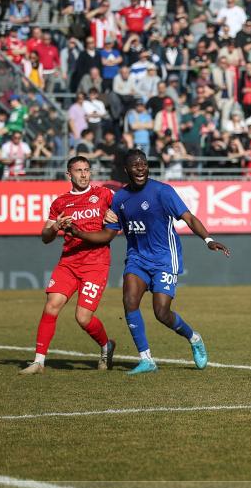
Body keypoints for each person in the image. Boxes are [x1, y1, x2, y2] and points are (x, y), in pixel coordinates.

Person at [66, 149, 230, 375]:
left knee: (161, 313)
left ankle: (194, 338)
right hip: (137, 259)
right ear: (127, 170)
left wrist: (208, 240)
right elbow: (107, 235)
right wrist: (77, 232)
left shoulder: (163, 191)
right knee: (129, 301)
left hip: (164, 259)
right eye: (135, 165)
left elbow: (188, 217)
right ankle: (146, 359)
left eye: (143, 164)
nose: (140, 168)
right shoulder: (121, 198)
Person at [19, 156, 116, 375]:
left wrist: (117, 216)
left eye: (87, 170)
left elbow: (125, 208)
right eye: (78, 170)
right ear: (68, 174)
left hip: (96, 263)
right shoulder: (60, 202)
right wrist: (55, 228)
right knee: (51, 305)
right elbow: (45, 236)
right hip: (69, 262)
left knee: (83, 318)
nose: (83, 174)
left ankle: (105, 346)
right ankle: (39, 362)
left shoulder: (104, 194)